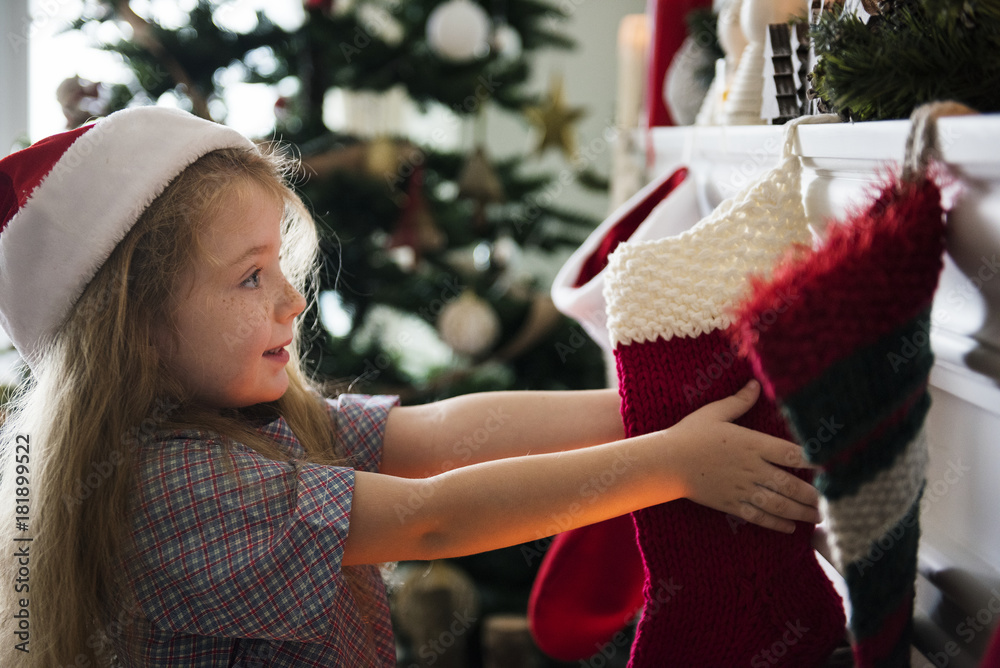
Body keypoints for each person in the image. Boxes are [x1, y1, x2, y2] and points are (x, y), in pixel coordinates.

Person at [0, 107, 821, 667]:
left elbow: (434, 436)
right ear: (136, 327)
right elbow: (432, 522)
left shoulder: (244, 417)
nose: (292, 300)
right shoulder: (170, 484)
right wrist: (674, 464)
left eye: (280, 267)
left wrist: (651, 413)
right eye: (251, 278)